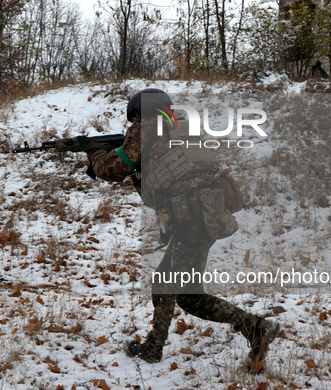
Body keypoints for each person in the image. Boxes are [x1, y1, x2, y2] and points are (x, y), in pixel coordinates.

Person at [87, 88, 279, 374]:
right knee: (181, 290)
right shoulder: (183, 126)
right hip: (206, 213)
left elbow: (114, 168)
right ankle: (250, 329)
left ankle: (252, 328)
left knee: (170, 284)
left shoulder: (147, 129)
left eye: (135, 118)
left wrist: (93, 154)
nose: (134, 123)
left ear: (141, 112)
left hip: (192, 215)